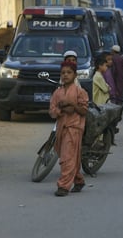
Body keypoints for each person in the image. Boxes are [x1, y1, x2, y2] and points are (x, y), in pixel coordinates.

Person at [49, 61, 88, 196]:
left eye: (69, 72)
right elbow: (52, 111)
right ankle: (78, 180)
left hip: (74, 128)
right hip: (61, 128)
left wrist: (72, 105)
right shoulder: (57, 93)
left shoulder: (80, 92)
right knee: (70, 156)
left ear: (75, 75)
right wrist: (60, 109)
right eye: (63, 73)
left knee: (67, 157)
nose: (65, 75)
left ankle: (63, 186)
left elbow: (83, 110)